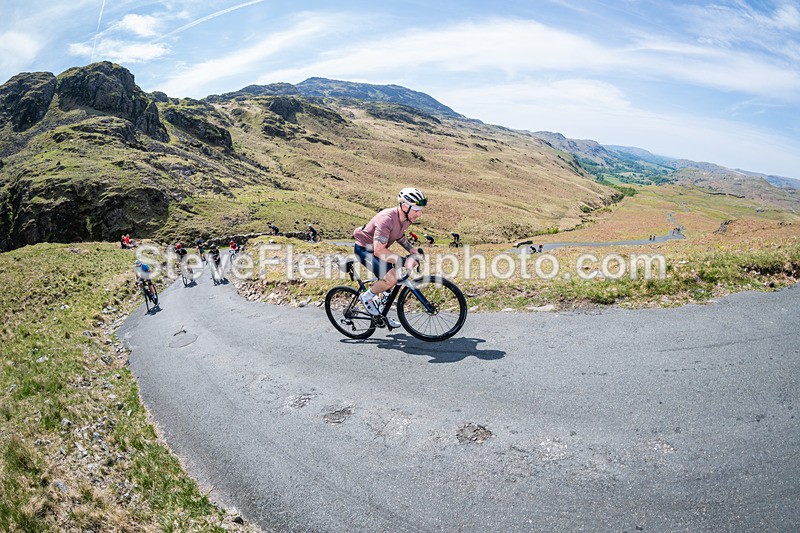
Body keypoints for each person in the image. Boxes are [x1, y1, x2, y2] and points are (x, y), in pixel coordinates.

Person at [353, 187, 426, 325]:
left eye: (420, 210)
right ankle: (367, 297)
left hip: (379, 250)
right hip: (365, 250)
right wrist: (405, 261)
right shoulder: (386, 219)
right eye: (416, 210)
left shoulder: (406, 218)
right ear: (404, 206)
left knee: (393, 276)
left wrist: (411, 250)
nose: (419, 214)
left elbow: (399, 235)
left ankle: (381, 315)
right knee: (391, 279)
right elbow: (379, 251)